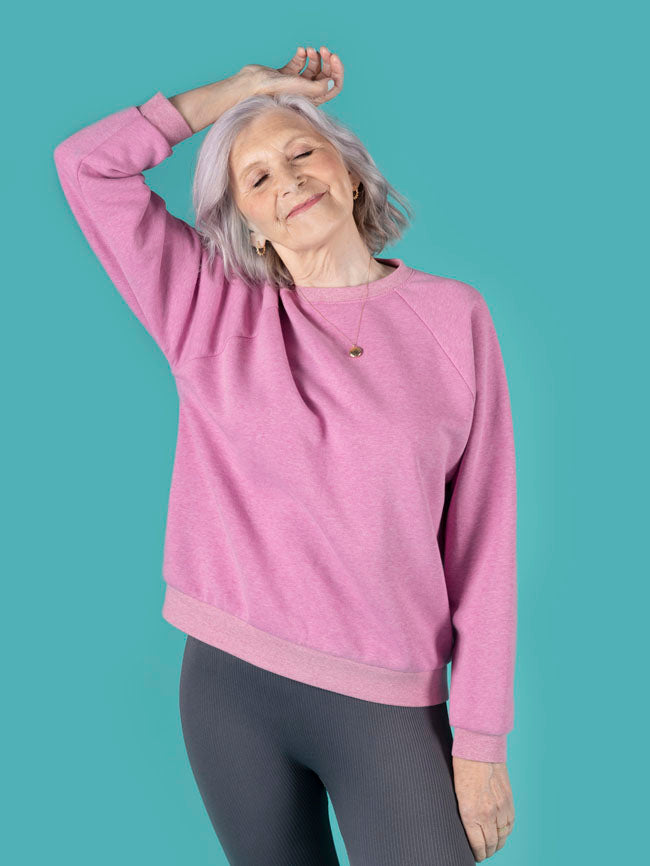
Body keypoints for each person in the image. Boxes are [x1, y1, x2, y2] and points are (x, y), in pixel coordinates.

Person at [54, 45, 517, 865]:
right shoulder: (208, 310)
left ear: (349, 170)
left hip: (387, 696)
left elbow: (484, 544)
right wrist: (241, 90)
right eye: (257, 177)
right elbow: (87, 166)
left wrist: (480, 741)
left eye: (302, 152)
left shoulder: (454, 319)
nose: (288, 181)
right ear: (247, 221)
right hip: (233, 688)